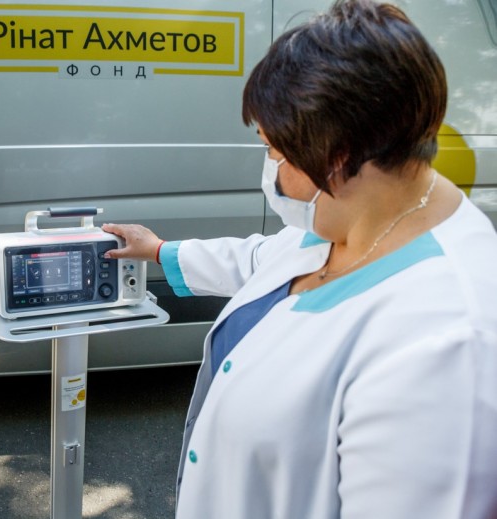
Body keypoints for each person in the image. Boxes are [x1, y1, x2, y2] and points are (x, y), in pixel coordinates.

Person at [103, 0, 497, 517]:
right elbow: (264, 261)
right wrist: (158, 250)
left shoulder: (447, 345)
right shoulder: (357, 217)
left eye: (273, 150)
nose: (269, 167)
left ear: (336, 156)